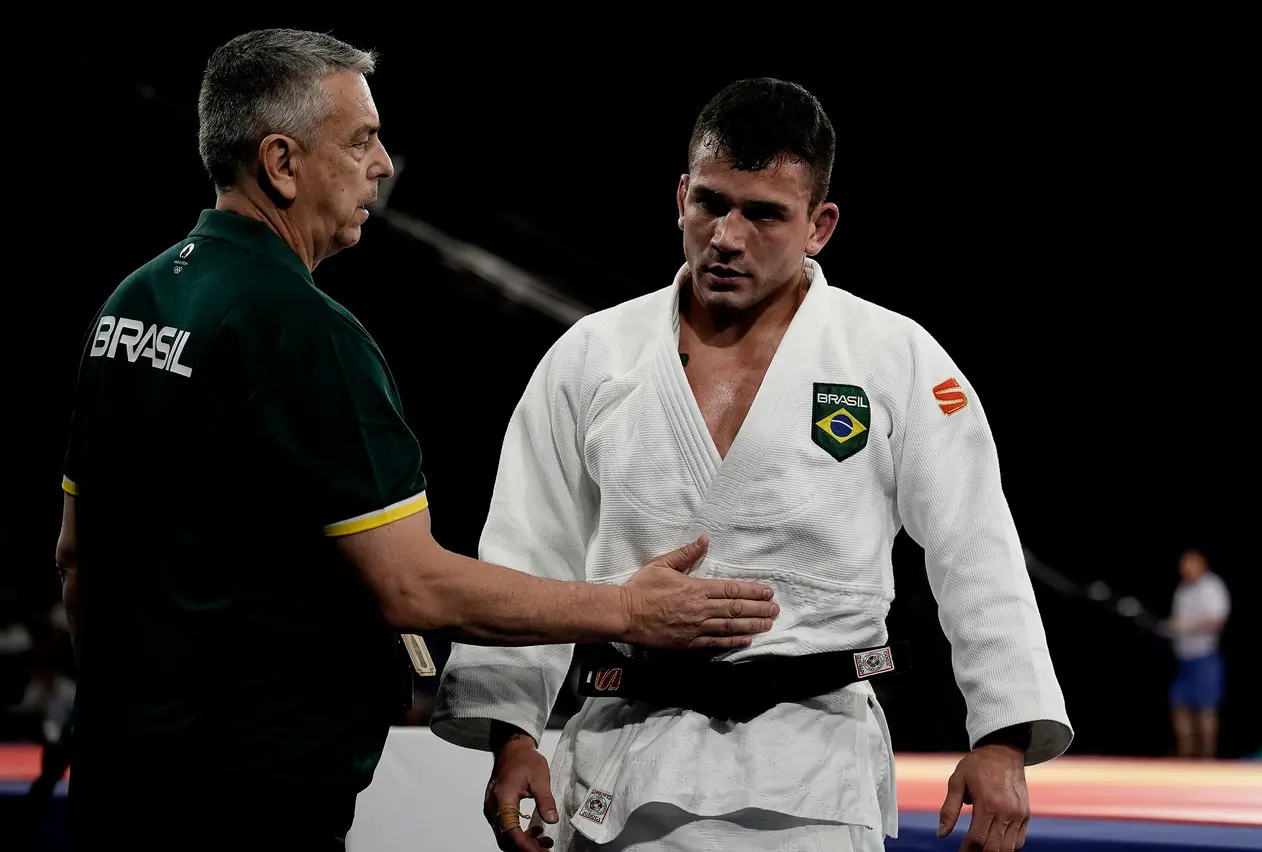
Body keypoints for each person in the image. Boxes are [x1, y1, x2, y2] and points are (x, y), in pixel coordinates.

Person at [54, 31, 780, 851]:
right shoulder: (303, 331)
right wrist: (627, 609)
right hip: (243, 799)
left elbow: (77, 559)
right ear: (282, 163)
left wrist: (138, 713)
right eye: (359, 141)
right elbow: (415, 588)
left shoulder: (130, 305)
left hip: (116, 778)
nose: (382, 165)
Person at [430, 78, 1073, 852]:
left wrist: (1002, 736)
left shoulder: (892, 358)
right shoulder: (593, 357)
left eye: (763, 213)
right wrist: (513, 735)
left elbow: (977, 547)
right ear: (681, 198)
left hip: (814, 774)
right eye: (710, 203)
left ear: (819, 226)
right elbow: (526, 551)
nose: (726, 237)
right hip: (622, 764)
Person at [1162, 549, 1230, 759]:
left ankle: (1207, 758)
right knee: (1179, 706)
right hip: (1184, 658)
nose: (1184, 570)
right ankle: (1186, 755)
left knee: (1205, 709)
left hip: (1205, 657)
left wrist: (1185, 627)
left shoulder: (1211, 586)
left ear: (1201, 565)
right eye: (1182, 566)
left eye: (1188, 565)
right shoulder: (1182, 590)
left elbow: (1216, 619)